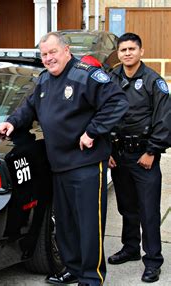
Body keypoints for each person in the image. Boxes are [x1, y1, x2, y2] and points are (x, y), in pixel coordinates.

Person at [0, 32, 129, 286]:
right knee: (67, 224)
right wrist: (12, 123)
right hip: (59, 165)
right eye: (44, 54)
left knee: (89, 224)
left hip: (87, 164)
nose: (48, 58)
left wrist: (93, 131)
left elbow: (117, 102)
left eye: (52, 52)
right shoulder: (45, 80)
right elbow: (29, 107)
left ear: (66, 50)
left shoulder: (85, 74)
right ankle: (73, 268)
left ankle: (92, 277)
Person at [107, 32, 170, 283]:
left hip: (144, 156)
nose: (127, 53)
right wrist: (109, 151)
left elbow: (164, 120)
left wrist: (152, 151)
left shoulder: (154, 81)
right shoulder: (111, 79)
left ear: (141, 51)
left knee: (148, 211)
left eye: (132, 49)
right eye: (123, 50)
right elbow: (104, 113)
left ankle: (153, 260)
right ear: (119, 53)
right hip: (119, 155)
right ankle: (130, 248)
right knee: (127, 207)